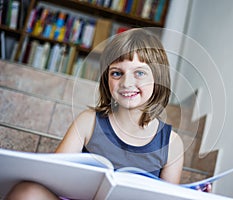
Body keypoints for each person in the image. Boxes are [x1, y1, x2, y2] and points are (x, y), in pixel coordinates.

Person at [5, 28, 186, 200]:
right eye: (116, 73)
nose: (126, 82)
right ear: (107, 80)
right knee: (26, 191)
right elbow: (53, 176)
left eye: (139, 73)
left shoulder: (172, 144)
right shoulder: (88, 121)